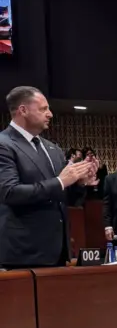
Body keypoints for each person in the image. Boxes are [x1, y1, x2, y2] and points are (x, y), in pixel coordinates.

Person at [0, 86, 96, 269]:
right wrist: (61, 181)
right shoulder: (4, 145)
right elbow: (10, 192)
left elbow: (63, 197)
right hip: (22, 252)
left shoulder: (52, 148)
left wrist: (79, 183)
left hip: (57, 250)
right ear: (23, 110)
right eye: (43, 109)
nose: (50, 114)